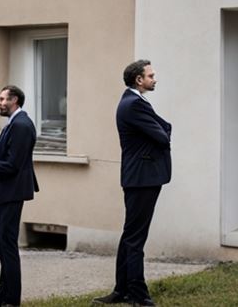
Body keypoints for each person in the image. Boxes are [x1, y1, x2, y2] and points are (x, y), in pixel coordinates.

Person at [94, 60, 172, 307]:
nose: (155, 79)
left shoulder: (135, 102)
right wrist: (163, 134)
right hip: (142, 178)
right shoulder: (134, 104)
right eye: (151, 75)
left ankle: (122, 290)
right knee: (136, 238)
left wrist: (163, 131)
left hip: (140, 177)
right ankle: (138, 295)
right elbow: (163, 135)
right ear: (139, 79)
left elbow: (164, 128)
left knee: (131, 235)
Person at [0, 85, 40, 307]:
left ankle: (11, 299)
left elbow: (13, 165)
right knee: (4, 245)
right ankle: (3, 297)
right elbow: (10, 158)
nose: (0, 103)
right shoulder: (14, 123)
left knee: (7, 245)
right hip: (7, 191)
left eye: (3, 99)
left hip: (12, 191)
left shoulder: (21, 125)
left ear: (15, 101)